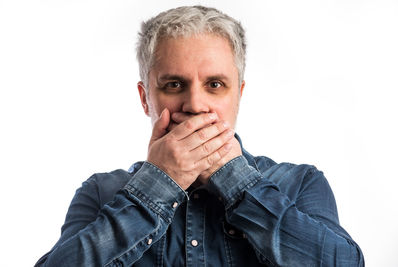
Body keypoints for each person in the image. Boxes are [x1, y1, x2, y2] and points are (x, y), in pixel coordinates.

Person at [35, 5, 364, 266]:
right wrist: (159, 183)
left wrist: (234, 180)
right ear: (145, 97)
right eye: (174, 85)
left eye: (215, 85)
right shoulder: (100, 192)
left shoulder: (299, 183)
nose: (195, 105)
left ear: (239, 94)